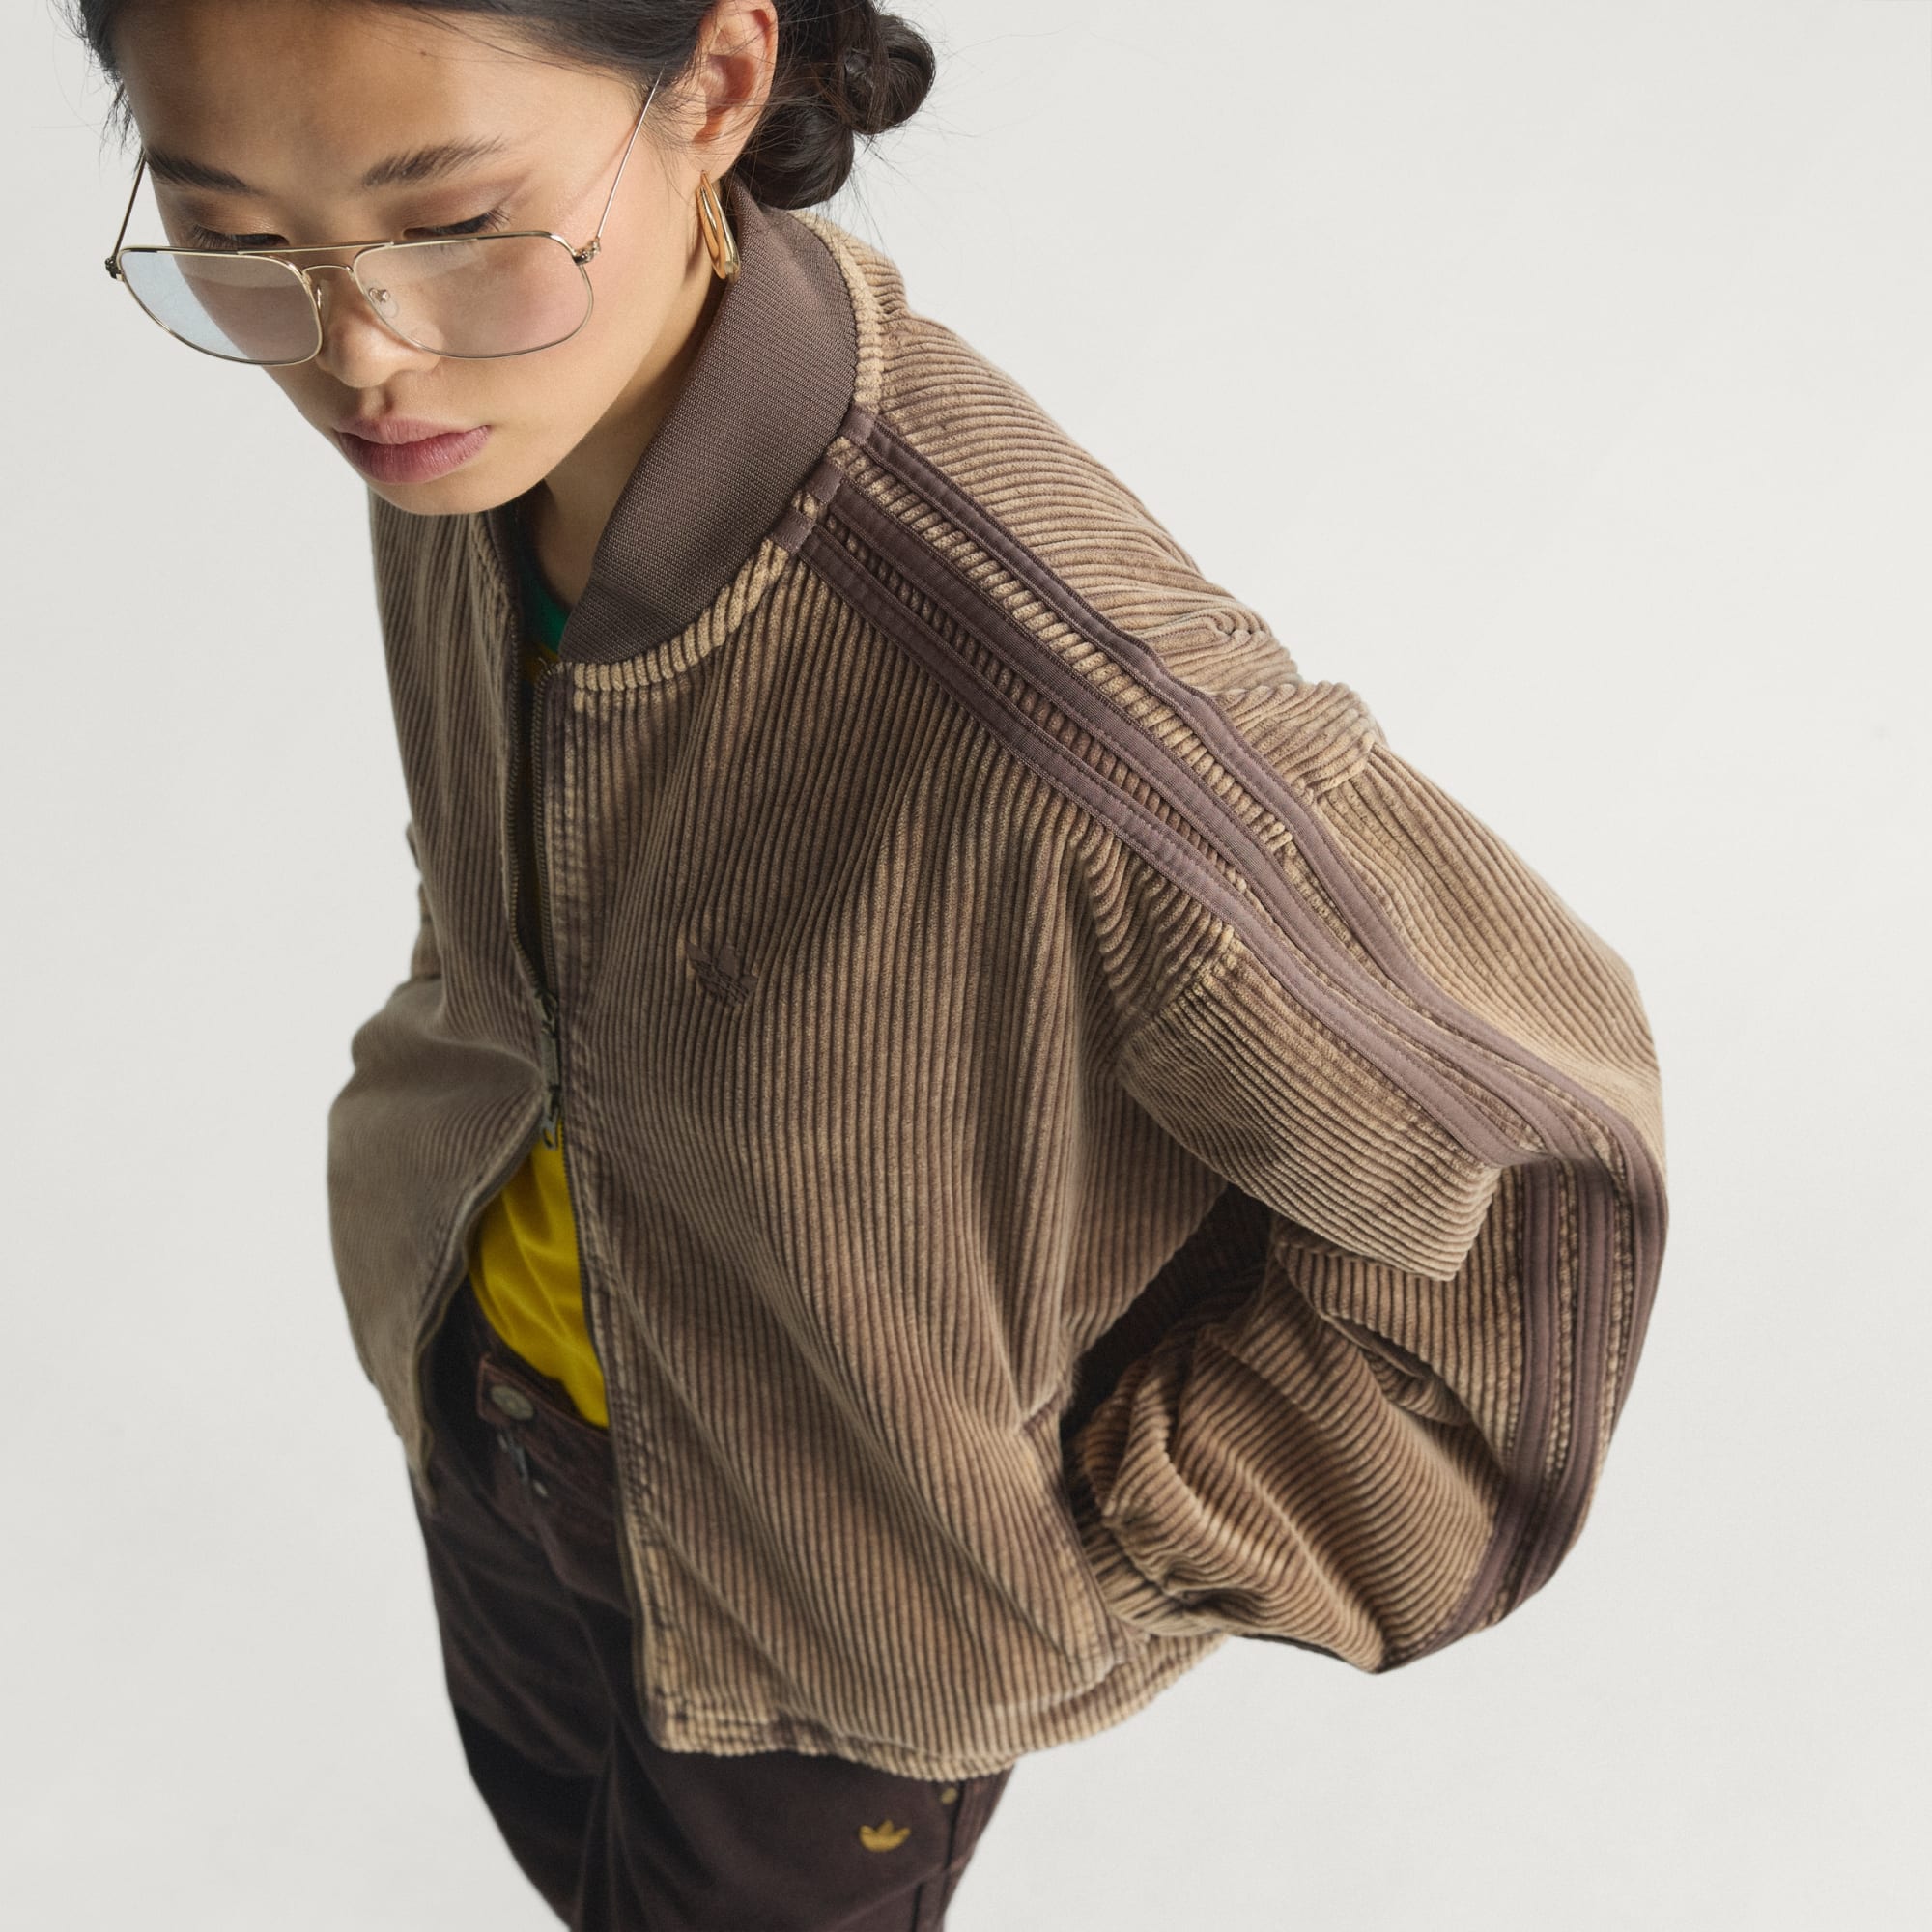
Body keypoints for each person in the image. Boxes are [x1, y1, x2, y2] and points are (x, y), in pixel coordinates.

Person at [71, 0, 1671, 1925]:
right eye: (238, 240)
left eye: (456, 223)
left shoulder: (1057, 714)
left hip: (829, 1626)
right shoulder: (489, 420)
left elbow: (1537, 1192)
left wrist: (1096, 1559)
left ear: (715, 84)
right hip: (483, 1401)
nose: (359, 353)